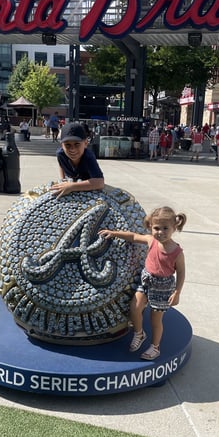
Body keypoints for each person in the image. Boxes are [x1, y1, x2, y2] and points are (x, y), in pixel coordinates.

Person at [98, 206, 187, 360]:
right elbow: (132, 236)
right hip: (146, 281)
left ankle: (155, 347)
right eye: (157, 228)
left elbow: (181, 272)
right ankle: (139, 333)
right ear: (150, 227)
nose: (160, 232)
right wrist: (113, 233)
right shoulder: (150, 240)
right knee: (135, 308)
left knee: (155, 320)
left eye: (165, 228)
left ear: (174, 227)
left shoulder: (176, 252)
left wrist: (177, 292)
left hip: (163, 287)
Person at [49, 122, 104, 199]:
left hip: (87, 183)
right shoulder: (61, 154)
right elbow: (61, 164)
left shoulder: (88, 156)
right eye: (67, 145)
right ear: (62, 145)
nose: (72, 149)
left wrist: (72, 186)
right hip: (72, 180)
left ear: (85, 143)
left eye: (77, 144)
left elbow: (100, 183)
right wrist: (63, 179)